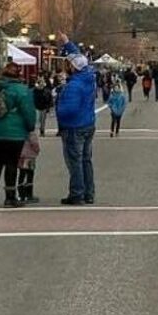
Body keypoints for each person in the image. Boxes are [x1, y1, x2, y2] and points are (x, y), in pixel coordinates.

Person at [0, 59, 37, 207]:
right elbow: (29, 113)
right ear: (18, 74)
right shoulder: (22, 90)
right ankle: (10, 197)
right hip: (15, 132)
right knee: (12, 164)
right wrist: (30, 128)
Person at [56, 43, 98, 205]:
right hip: (88, 123)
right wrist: (67, 43)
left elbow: (68, 110)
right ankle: (89, 192)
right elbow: (79, 58)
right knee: (86, 160)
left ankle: (77, 193)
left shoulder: (73, 86)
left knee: (75, 161)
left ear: (73, 68)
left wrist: (59, 99)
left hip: (74, 126)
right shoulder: (88, 77)